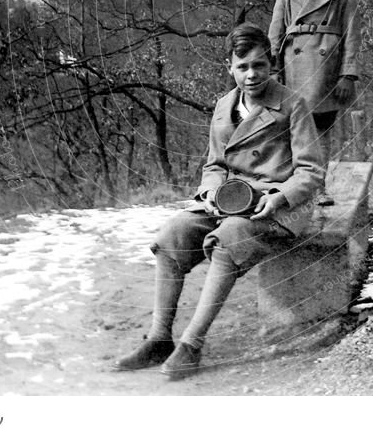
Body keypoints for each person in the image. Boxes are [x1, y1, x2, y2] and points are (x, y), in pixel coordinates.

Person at [114, 23, 324, 380]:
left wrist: (280, 198)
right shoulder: (225, 105)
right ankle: (160, 337)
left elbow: (312, 171)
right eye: (242, 67)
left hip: (278, 208)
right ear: (229, 67)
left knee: (228, 239)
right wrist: (210, 193)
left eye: (259, 65)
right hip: (228, 201)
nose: (252, 74)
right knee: (172, 237)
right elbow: (214, 164)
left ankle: (191, 345)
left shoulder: (292, 104)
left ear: (271, 64)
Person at [268, 0, 361, 204]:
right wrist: (273, 70)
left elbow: (353, 37)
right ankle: (288, 187)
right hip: (292, 69)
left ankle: (317, 188)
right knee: (289, 130)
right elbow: (275, 33)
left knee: (321, 131)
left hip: (326, 71)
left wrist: (348, 75)